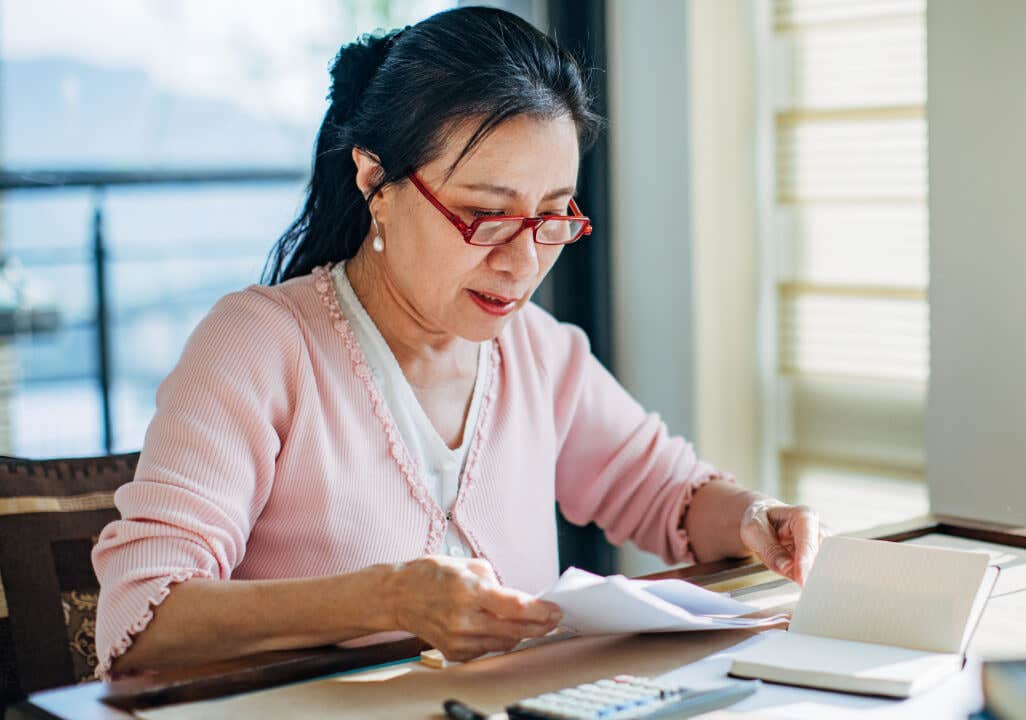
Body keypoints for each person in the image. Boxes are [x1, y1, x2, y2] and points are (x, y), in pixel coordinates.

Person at [92, 6, 822, 675]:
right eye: (485, 214)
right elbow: (142, 618)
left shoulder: (539, 353)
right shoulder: (259, 347)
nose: (522, 260)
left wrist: (756, 516)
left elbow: (670, 495)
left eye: (552, 216)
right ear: (376, 179)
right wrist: (388, 600)